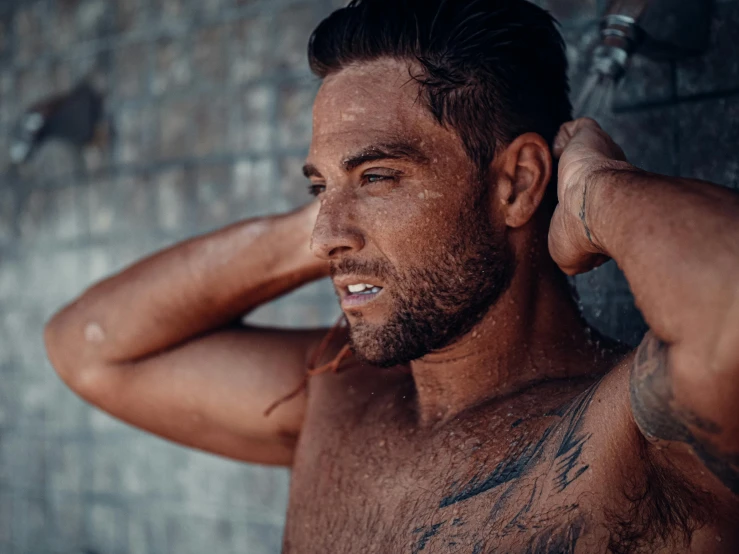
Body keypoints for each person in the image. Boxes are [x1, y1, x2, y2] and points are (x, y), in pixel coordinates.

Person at [45, 0, 739, 551]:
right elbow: (91, 346)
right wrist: (340, 210)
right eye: (318, 184)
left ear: (518, 183)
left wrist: (593, 189)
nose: (325, 237)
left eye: (380, 174)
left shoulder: (632, 441)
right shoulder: (339, 400)